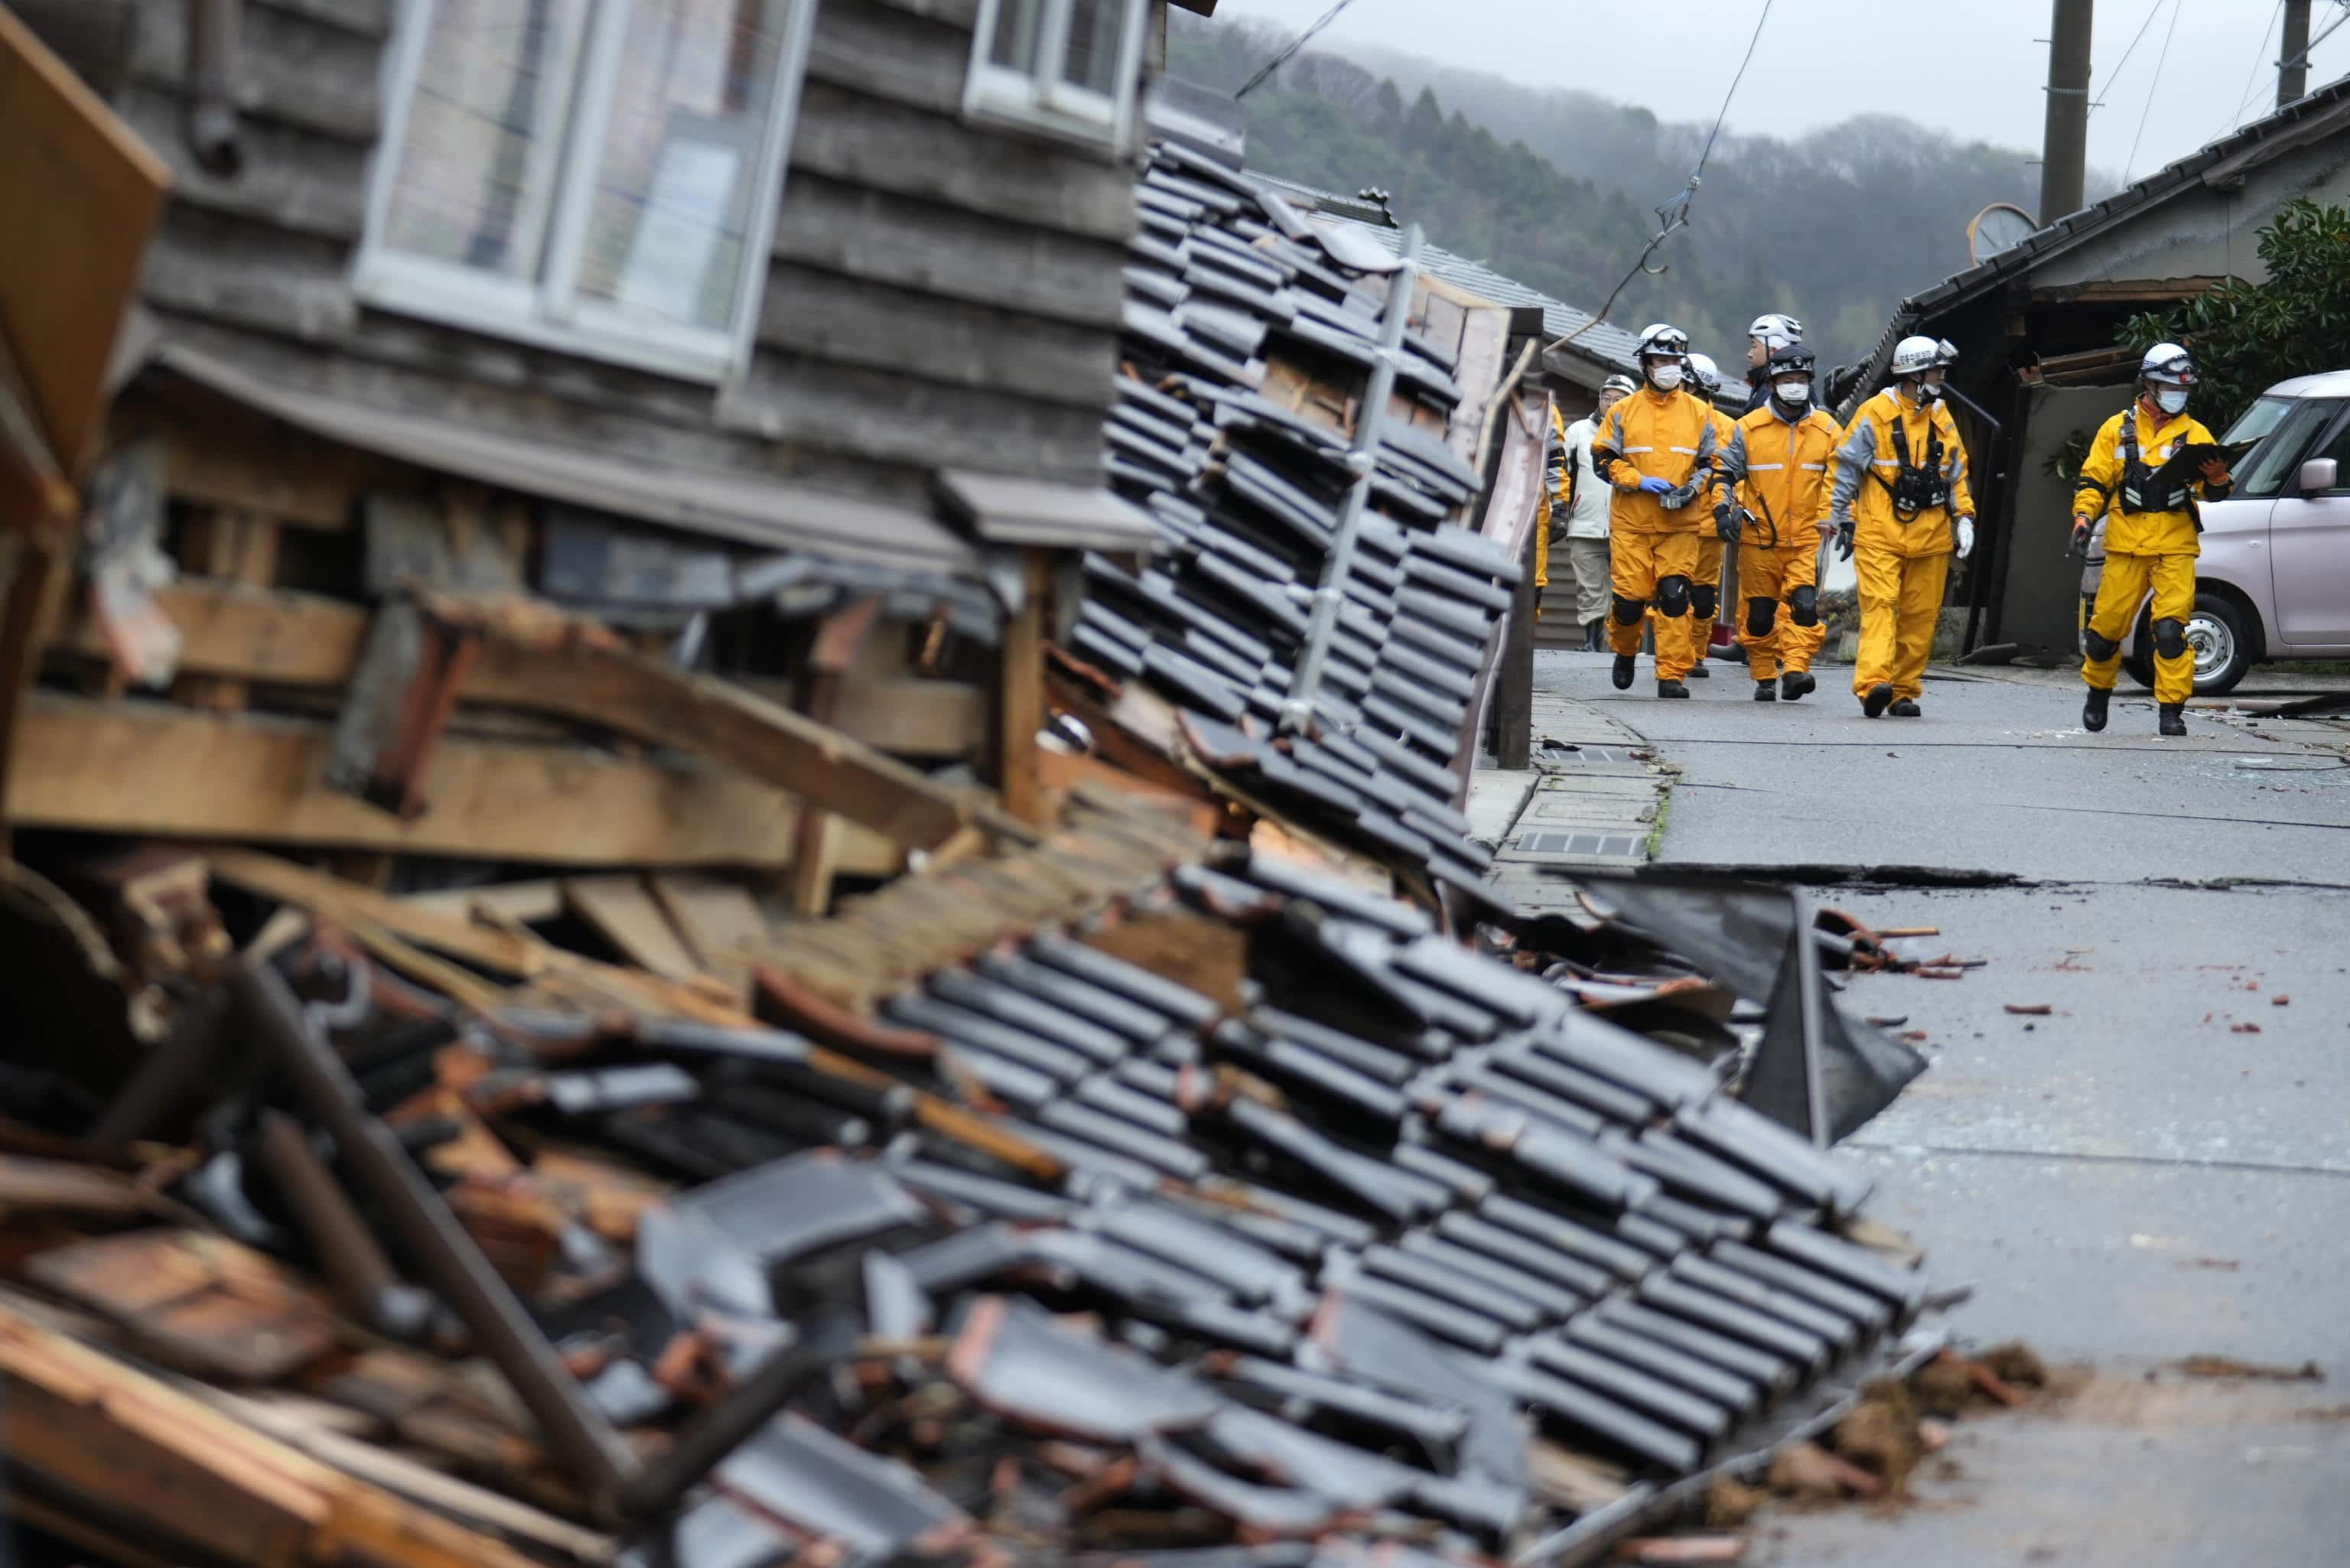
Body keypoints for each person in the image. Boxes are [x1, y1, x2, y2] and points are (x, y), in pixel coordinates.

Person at [2070, 343, 2233, 737]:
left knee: (2171, 631)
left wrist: (2216, 479)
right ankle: (2098, 690)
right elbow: (2094, 481)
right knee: (2104, 631)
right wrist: (2082, 518)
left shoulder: (2196, 435)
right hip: (2126, 544)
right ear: (2149, 385)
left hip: (2175, 544)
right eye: (2168, 386)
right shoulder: (2116, 429)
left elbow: (2214, 493)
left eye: (2183, 388)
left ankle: (2171, 709)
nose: (2178, 394)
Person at [1827, 334, 1976, 717]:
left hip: (1932, 538)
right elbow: (1845, 468)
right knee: (1881, 606)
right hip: (1881, 535)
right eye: (1936, 371)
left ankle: (1903, 690)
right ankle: (1874, 683)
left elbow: (1956, 473)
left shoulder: (1941, 416)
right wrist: (1838, 517)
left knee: (1920, 615)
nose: (1941, 377)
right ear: (1914, 373)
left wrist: (1965, 518)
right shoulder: (1875, 413)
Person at [1591, 324, 1725, 698]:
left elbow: (1712, 462)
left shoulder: (1700, 412)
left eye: (1674, 360)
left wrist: (1692, 488)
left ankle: (1671, 674)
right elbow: (1603, 459)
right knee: (1630, 601)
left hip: (1680, 522)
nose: (1668, 367)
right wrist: (1637, 480)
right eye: (1661, 359)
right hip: (1632, 522)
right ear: (1646, 363)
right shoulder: (1622, 411)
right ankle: (1625, 650)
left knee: (1675, 594)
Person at [1712, 346, 1837, 701]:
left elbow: (1842, 481)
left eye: (1800, 380)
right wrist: (1723, 509)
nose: (1794, 386)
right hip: (1759, 540)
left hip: (1807, 539)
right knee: (1760, 617)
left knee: (1806, 605)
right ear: (1773, 383)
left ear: (1809, 383)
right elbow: (1723, 472)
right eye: (1787, 380)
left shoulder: (1828, 429)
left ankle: (1796, 670)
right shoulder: (1748, 428)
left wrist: (1844, 519)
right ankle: (1764, 673)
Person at [1551, 375, 1636, 649]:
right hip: (1585, 522)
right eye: (1606, 398)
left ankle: (1619, 643)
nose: (1610, 404)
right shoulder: (1577, 431)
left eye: (1618, 399)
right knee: (1588, 586)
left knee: (1627, 586)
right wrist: (1561, 509)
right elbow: (1562, 472)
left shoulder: (1640, 433)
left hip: (1629, 524)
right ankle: (1591, 640)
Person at [1680, 352, 1737, 675]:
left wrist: (1728, 510)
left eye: (1686, 384)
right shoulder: (1668, 423)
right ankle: (1675, 654)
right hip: (1672, 521)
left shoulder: (1726, 427)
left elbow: (1734, 474)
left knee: (1703, 596)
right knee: (1671, 593)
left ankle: (1696, 652)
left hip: (1709, 524)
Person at [1743, 314, 1805, 415]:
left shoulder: (1772, 392)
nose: (1749, 354)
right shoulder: (1764, 384)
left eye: (1754, 346)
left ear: (1774, 351)